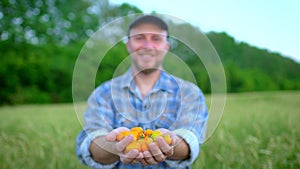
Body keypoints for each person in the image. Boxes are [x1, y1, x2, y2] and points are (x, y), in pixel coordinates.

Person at [76, 14, 208, 169]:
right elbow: (92, 143)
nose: (148, 45)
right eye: (139, 38)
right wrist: (114, 147)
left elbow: (190, 141)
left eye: (156, 39)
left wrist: (170, 143)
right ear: (128, 45)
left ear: (166, 47)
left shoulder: (189, 92)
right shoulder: (103, 93)